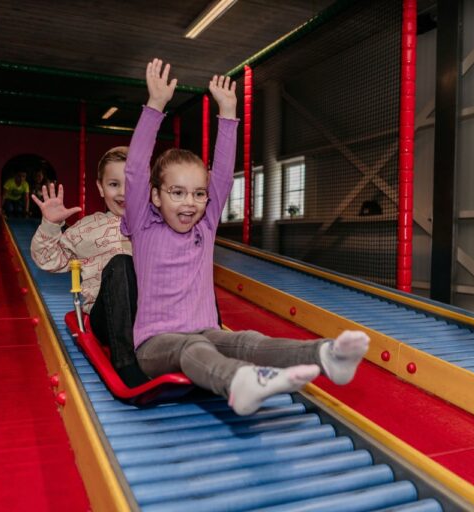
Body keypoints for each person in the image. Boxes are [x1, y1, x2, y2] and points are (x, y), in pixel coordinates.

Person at [124, 59, 370, 416]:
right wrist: (155, 106)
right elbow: (134, 171)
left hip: (206, 331)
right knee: (193, 351)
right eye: (177, 193)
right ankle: (241, 382)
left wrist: (228, 112)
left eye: (197, 194)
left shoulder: (204, 227)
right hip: (156, 345)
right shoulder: (145, 227)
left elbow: (222, 174)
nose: (190, 203)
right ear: (156, 196)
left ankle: (326, 355)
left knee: (246, 340)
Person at [30, 147, 148, 387]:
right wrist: (51, 226)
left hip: (151, 318)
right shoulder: (86, 229)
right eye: (114, 184)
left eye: (132, 184)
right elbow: (48, 259)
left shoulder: (153, 226)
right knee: (121, 264)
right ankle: (125, 363)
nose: (123, 192)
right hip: (108, 319)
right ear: (100, 187)